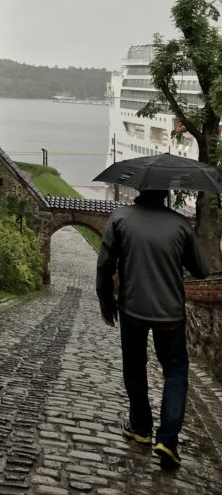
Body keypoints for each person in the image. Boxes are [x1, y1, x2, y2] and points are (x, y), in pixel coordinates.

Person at [96, 189, 209, 471]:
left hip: (132, 309)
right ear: (165, 193)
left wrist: (106, 300)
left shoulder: (120, 217)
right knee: (175, 371)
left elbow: (104, 265)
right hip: (170, 313)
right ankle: (168, 440)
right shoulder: (180, 224)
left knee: (134, 366)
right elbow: (202, 271)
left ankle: (141, 427)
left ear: (140, 190)